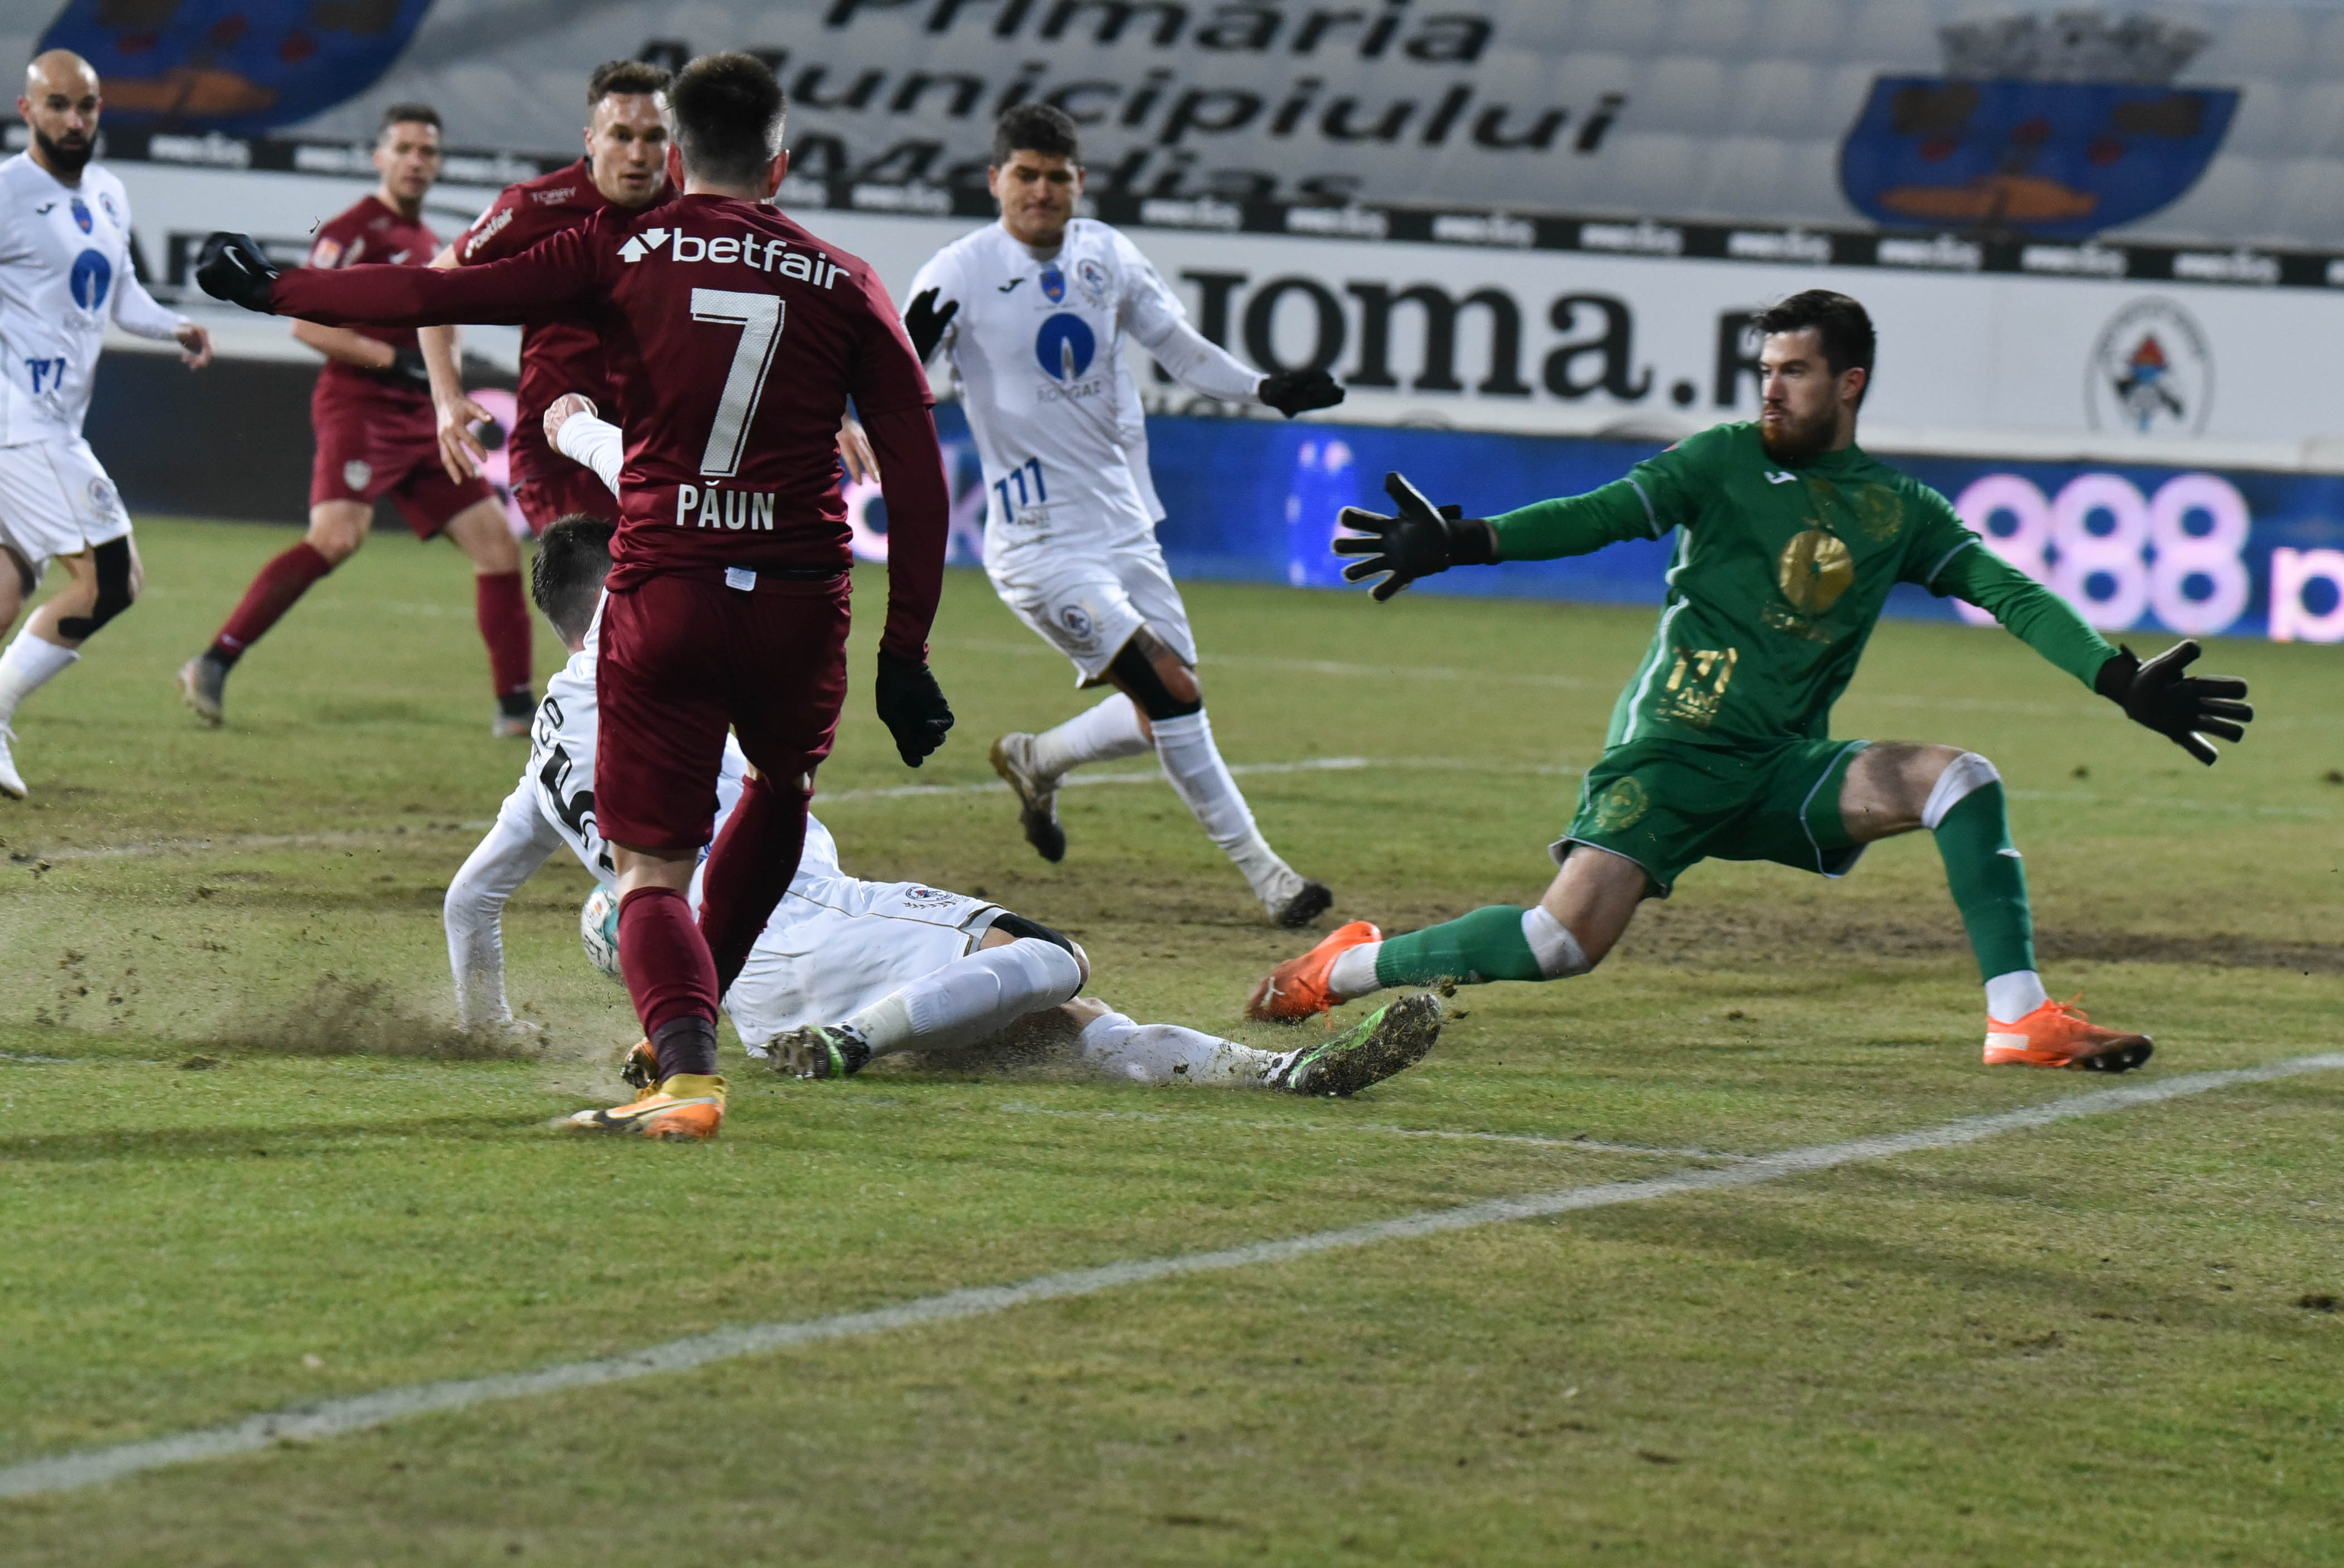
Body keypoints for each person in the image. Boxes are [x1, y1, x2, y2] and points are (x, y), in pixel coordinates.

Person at [198, 51, 958, 1141]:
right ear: (781, 165)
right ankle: (680, 1036)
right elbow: (918, 470)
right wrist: (907, 649)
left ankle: (685, 1068)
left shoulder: (624, 251)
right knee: (781, 790)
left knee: (650, 864)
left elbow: (433, 291)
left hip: (669, 589)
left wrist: (277, 286)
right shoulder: (845, 277)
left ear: (680, 157)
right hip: (802, 599)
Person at [1249, 290, 2255, 1072]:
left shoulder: (1896, 510)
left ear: (1849, 383)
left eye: (1794, 372)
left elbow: (2008, 591)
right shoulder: (1720, 460)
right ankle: (1337, 967)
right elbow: (1600, 513)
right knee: (1557, 942)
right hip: (1672, 752)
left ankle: (2018, 1018)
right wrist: (1466, 541)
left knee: (1957, 776)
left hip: (1779, 767)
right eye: (1764, 369)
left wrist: (2118, 677)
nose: (1769, 389)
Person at [443, 511, 1439, 1099]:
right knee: (1051, 957)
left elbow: (470, 901)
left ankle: (1283, 1078)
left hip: (734, 1000)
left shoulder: (543, 763)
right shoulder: (649, 666)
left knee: (1068, 1018)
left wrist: (488, 1025)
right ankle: (853, 1041)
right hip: (799, 921)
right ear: (617, 590)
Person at [905, 101, 1345, 929]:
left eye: (1056, 177)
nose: (1040, 191)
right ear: (995, 180)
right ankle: (1270, 879)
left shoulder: (1107, 252)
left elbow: (1174, 345)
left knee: (1164, 704)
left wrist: (1262, 387)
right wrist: (860, 410)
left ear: (1080, 181)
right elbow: (898, 367)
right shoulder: (957, 272)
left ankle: (1036, 758)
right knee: (1172, 693)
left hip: (1122, 523)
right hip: (1039, 543)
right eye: (1024, 176)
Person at [177, 103, 536, 736]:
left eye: (427, 151)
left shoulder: (429, 244)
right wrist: (392, 363)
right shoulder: (352, 229)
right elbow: (305, 321)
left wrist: (435, 382)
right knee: (338, 537)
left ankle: (515, 710)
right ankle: (211, 662)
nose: (416, 161)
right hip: (361, 406)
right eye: (404, 148)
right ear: (379, 157)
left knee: (497, 546)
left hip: (421, 419)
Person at [0, 49, 212, 799]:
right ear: (27, 111)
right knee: (113, 579)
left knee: (4, 592)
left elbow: (119, 297)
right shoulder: (6, 191)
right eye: (57, 105)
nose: (74, 119)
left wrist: (176, 328)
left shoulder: (110, 193)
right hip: (25, 428)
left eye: (86, 106)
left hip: (48, 428)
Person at [414, 59, 673, 534]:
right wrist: (447, 399)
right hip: (559, 449)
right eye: (620, 136)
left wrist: (832, 414)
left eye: (653, 137)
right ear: (591, 140)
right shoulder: (536, 207)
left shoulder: (697, 211)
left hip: (660, 447)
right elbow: (436, 288)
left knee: (665, 601)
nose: (637, 154)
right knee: (601, 594)